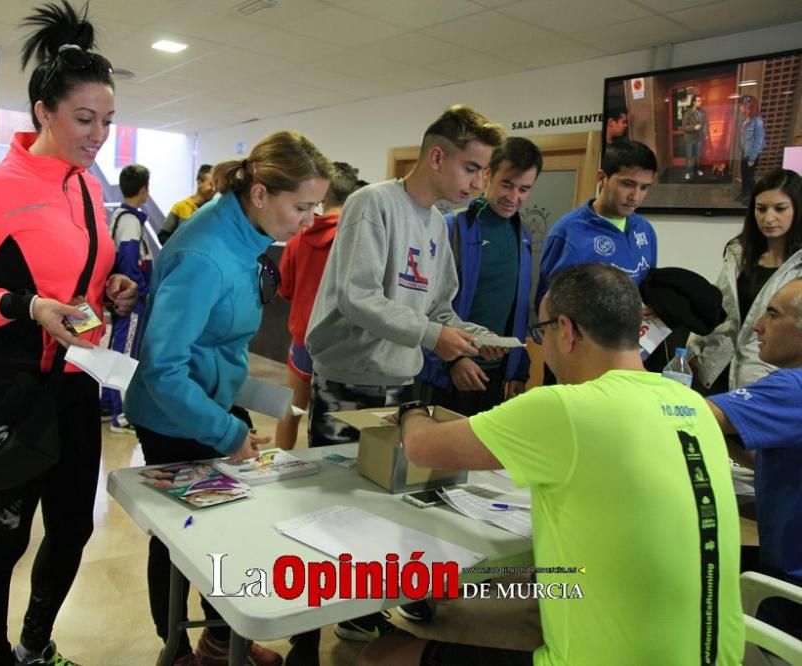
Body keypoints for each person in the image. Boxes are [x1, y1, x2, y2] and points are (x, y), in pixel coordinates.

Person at [359, 263, 745, 666]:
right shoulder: (694, 405)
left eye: (542, 331)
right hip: (718, 657)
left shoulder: (566, 407)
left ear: (566, 329)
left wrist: (412, 411)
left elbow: (423, 448)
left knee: (381, 655)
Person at [0, 3, 137, 664]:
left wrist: (109, 292)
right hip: (10, 388)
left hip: (75, 385)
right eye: (84, 119)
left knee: (73, 528)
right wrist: (24, 305)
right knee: (3, 541)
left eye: (107, 121)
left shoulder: (86, 190)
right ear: (43, 111)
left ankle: (37, 647)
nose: (98, 135)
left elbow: (80, 283)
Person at [124, 130, 333, 666]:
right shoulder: (206, 252)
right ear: (261, 192)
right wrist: (228, 433)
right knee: (184, 533)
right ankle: (175, 647)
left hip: (209, 402)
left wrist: (244, 404)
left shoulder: (243, 236)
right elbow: (164, 371)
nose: (309, 220)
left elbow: (217, 344)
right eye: (302, 206)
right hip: (175, 415)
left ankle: (219, 639)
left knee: (228, 527)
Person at [303, 104, 505, 649]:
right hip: (350, 377)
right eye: (471, 167)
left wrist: (464, 340)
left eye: (484, 171)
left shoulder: (437, 224)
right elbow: (359, 296)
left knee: (392, 495)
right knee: (341, 501)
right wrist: (434, 336)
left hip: (401, 380)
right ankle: (338, 609)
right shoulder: (374, 205)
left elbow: (437, 309)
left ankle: (380, 590)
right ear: (436, 156)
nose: (478, 182)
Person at [416, 137, 542, 415]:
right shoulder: (453, 228)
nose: (514, 197)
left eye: (524, 189)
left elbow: (518, 308)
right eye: (507, 184)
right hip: (448, 373)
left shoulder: (522, 236)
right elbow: (424, 307)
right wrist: (453, 361)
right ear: (487, 175)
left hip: (496, 377)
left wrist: (518, 369)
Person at [706, 278, 802, 641]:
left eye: (773, 316)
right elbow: (773, 455)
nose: (758, 326)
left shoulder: (791, 388)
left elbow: (684, 412)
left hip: (789, 591)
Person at [274, 161, 364, 450]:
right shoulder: (358, 239)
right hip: (345, 345)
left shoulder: (297, 239)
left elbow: (285, 289)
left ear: (324, 197)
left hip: (303, 339)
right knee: (340, 421)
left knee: (291, 410)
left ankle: (279, 465)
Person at [687, 168, 802, 393]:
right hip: (716, 368)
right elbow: (716, 309)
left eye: (780, 209)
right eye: (761, 209)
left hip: (769, 377)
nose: (769, 218)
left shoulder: (798, 268)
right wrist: (694, 349)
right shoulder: (738, 254)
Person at [536, 140, 658, 309]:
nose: (635, 196)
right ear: (602, 178)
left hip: (633, 335)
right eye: (627, 184)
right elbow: (548, 309)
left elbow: (647, 290)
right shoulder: (567, 233)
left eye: (644, 187)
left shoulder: (645, 230)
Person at [103, 162, 152, 434]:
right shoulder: (131, 221)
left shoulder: (121, 217)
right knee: (125, 354)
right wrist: (141, 291)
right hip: (132, 300)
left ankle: (109, 404)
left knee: (116, 349)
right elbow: (131, 261)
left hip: (120, 297)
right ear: (144, 189)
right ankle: (121, 415)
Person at [159, 162, 214, 244]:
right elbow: (163, 235)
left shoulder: (215, 210)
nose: (214, 189)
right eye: (211, 184)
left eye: (216, 184)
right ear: (199, 182)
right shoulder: (180, 207)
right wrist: (177, 249)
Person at [737, 94, 765, 204]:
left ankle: (752, 198)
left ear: (749, 107)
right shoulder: (747, 120)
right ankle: (744, 193)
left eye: (742, 105)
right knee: (744, 174)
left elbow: (759, 142)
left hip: (752, 154)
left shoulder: (758, 121)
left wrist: (752, 159)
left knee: (750, 177)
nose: (740, 108)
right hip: (745, 152)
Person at [682, 93, 707, 181]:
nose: (700, 103)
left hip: (698, 138)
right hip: (689, 139)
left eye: (701, 101)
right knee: (689, 157)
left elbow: (704, 124)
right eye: (698, 101)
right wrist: (694, 127)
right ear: (693, 102)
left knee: (698, 156)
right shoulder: (688, 113)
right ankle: (687, 172)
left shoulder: (702, 112)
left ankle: (698, 170)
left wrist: (705, 135)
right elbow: (684, 127)